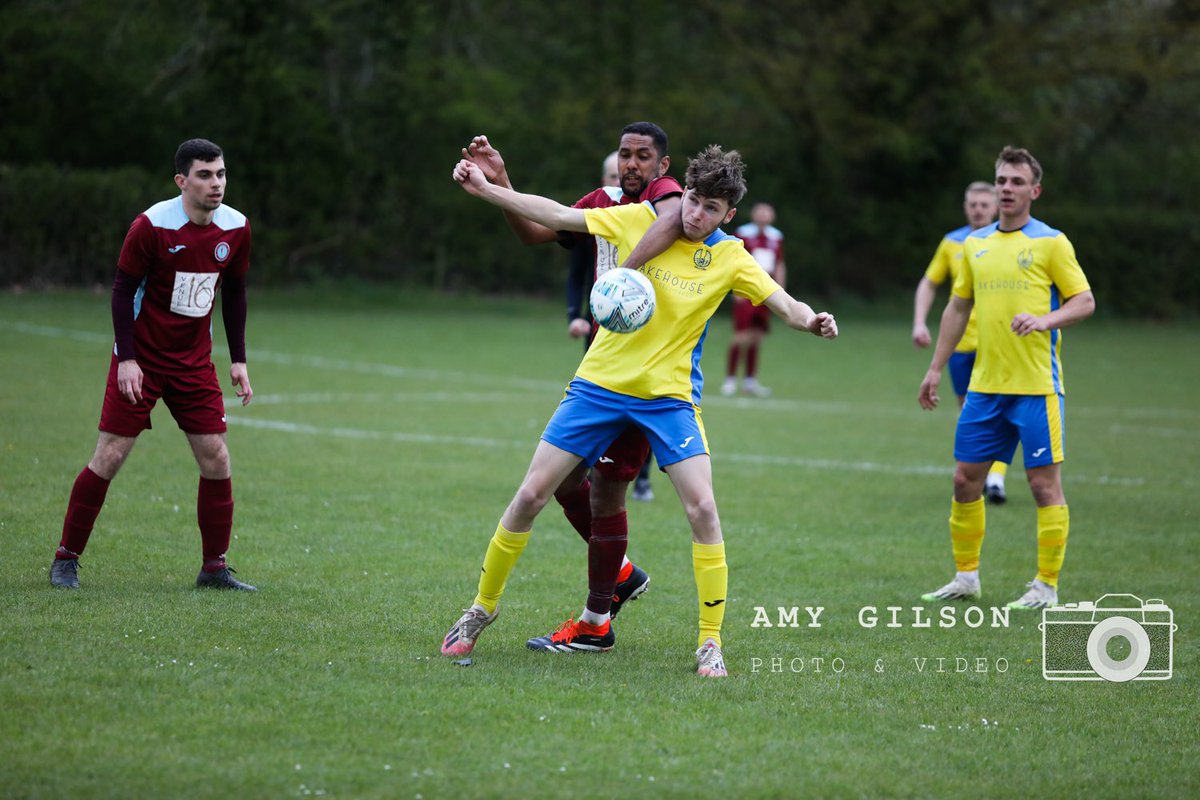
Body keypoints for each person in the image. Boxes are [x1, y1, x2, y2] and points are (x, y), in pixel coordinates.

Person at [442, 144, 838, 676]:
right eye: (693, 201)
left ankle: (710, 643)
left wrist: (813, 320)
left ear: (729, 214)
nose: (696, 215)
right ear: (685, 194)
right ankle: (480, 610)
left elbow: (784, 304)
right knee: (531, 494)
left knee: (703, 510)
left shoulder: (730, 257)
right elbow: (560, 215)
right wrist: (490, 191)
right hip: (598, 387)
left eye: (711, 208)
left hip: (668, 399)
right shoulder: (641, 219)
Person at [461, 123, 686, 619]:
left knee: (608, 490)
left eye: (643, 156)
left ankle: (596, 618)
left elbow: (670, 218)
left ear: (662, 165)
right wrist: (501, 184)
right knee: (562, 482)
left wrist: (626, 270)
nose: (632, 164)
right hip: (599, 367)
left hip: (651, 375)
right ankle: (621, 575)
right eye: (625, 154)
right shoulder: (600, 200)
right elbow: (536, 231)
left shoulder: (668, 198)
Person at [48, 138, 257, 592]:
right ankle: (66, 558)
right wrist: (126, 358)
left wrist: (237, 359)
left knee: (216, 457)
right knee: (110, 455)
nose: (215, 183)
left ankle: (214, 568)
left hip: (194, 362)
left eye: (220, 173)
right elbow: (123, 291)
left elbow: (235, 293)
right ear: (182, 181)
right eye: (204, 175)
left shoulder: (236, 228)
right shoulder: (151, 226)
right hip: (142, 358)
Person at [918, 146, 1095, 610]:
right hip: (984, 386)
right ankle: (965, 578)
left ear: (1034, 191)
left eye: (1017, 182)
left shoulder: (1051, 242)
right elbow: (958, 307)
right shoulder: (974, 246)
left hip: (1037, 388)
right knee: (964, 481)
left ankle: (1046, 587)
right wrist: (936, 367)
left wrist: (1044, 320)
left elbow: (1084, 301)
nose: (1007, 189)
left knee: (1042, 486)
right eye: (1001, 181)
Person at [913, 182, 1012, 503]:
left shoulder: (1009, 242)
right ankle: (979, 473)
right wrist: (919, 322)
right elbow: (929, 283)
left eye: (985, 204)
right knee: (969, 410)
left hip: (997, 343)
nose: (978, 209)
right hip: (958, 346)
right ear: (965, 206)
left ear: (996, 206)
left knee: (1000, 409)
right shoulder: (952, 243)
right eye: (973, 204)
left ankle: (995, 479)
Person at [721, 202, 787, 398]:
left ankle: (750, 381)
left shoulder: (776, 237)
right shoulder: (744, 233)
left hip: (766, 292)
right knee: (740, 336)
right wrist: (736, 290)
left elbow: (780, 263)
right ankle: (730, 379)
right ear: (754, 214)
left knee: (757, 337)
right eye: (760, 211)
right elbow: (734, 260)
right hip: (747, 291)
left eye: (767, 212)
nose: (763, 215)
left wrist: (780, 290)